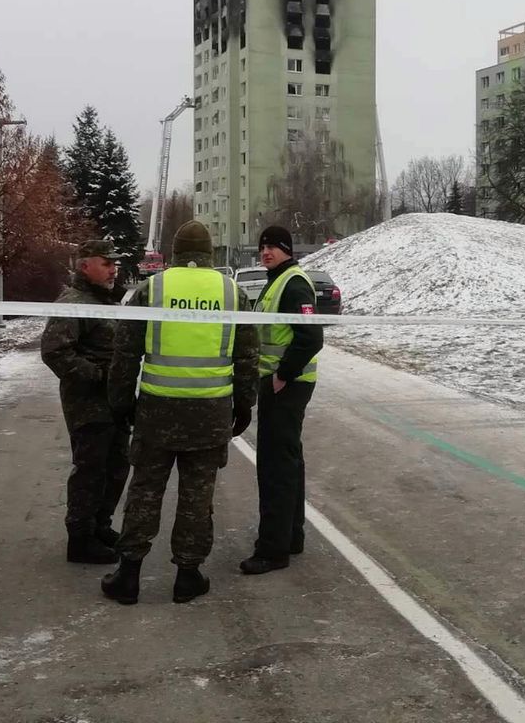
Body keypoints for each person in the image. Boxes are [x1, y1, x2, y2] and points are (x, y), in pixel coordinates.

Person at [101, 221, 259, 605]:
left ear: (173, 252)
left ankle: (129, 575)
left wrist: (120, 403)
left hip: (157, 411)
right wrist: (244, 404)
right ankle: (188, 575)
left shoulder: (151, 289)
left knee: (145, 490)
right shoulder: (231, 292)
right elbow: (247, 356)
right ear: (208, 253)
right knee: (197, 494)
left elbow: (125, 354)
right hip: (210, 413)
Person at [240, 224, 324, 576]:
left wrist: (283, 374)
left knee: (276, 466)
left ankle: (273, 549)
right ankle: (291, 535)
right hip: (281, 385)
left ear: (288, 250)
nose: (266, 252)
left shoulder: (294, 283)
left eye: (273, 246)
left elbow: (311, 337)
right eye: (262, 247)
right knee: (289, 461)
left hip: (286, 386)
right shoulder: (277, 281)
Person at [40, 240, 129, 565]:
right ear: (84, 266)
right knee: (91, 470)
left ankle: (99, 526)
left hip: (114, 402)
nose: (113, 269)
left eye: (114, 264)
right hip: (89, 405)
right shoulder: (74, 302)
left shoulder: (103, 301)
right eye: (106, 263)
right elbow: (54, 351)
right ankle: (80, 539)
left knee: (117, 466)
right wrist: (97, 375)